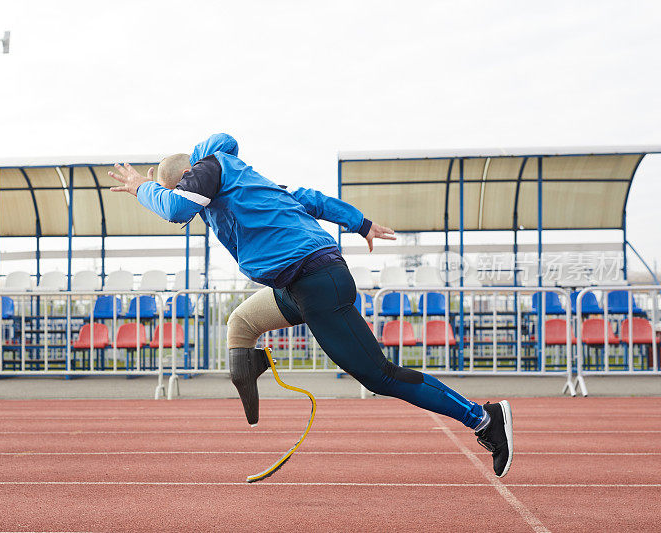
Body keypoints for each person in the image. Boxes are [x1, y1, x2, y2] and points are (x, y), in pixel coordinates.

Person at [109, 133, 513, 477]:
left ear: (186, 178)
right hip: (299, 284)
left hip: (317, 282)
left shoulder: (211, 168)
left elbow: (176, 208)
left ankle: (483, 418)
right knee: (242, 321)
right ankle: (251, 397)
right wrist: (360, 223)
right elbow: (309, 199)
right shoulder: (247, 187)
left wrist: (143, 188)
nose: (185, 207)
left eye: (177, 188)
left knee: (380, 376)